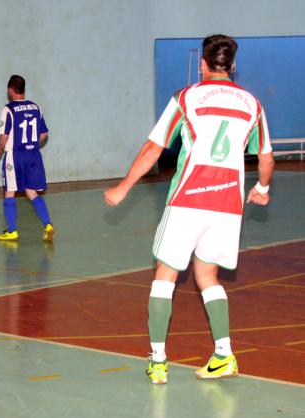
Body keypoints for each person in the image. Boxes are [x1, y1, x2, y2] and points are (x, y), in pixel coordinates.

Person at [104, 34, 274, 384]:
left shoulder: (186, 97)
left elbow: (154, 147)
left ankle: (158, 360)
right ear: (232, 65)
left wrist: (123, 188)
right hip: (227, 205)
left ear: (203, 63)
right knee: (207, 276)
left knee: (164, 277)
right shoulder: (252, 103)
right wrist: (261, 188)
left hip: (189, 199)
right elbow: (266, 157)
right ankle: (224, 354)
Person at [0, 75, 54, 242]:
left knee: (9, 191)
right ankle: (47, 224)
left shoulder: (8, 110)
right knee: (31, 191)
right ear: (23, 90)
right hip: (33, 155)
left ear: (10, 89)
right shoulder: (36, 107)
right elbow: (44, 133)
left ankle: (12, 231)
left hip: (15, 156)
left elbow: (4, 136)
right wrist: (31, 144)